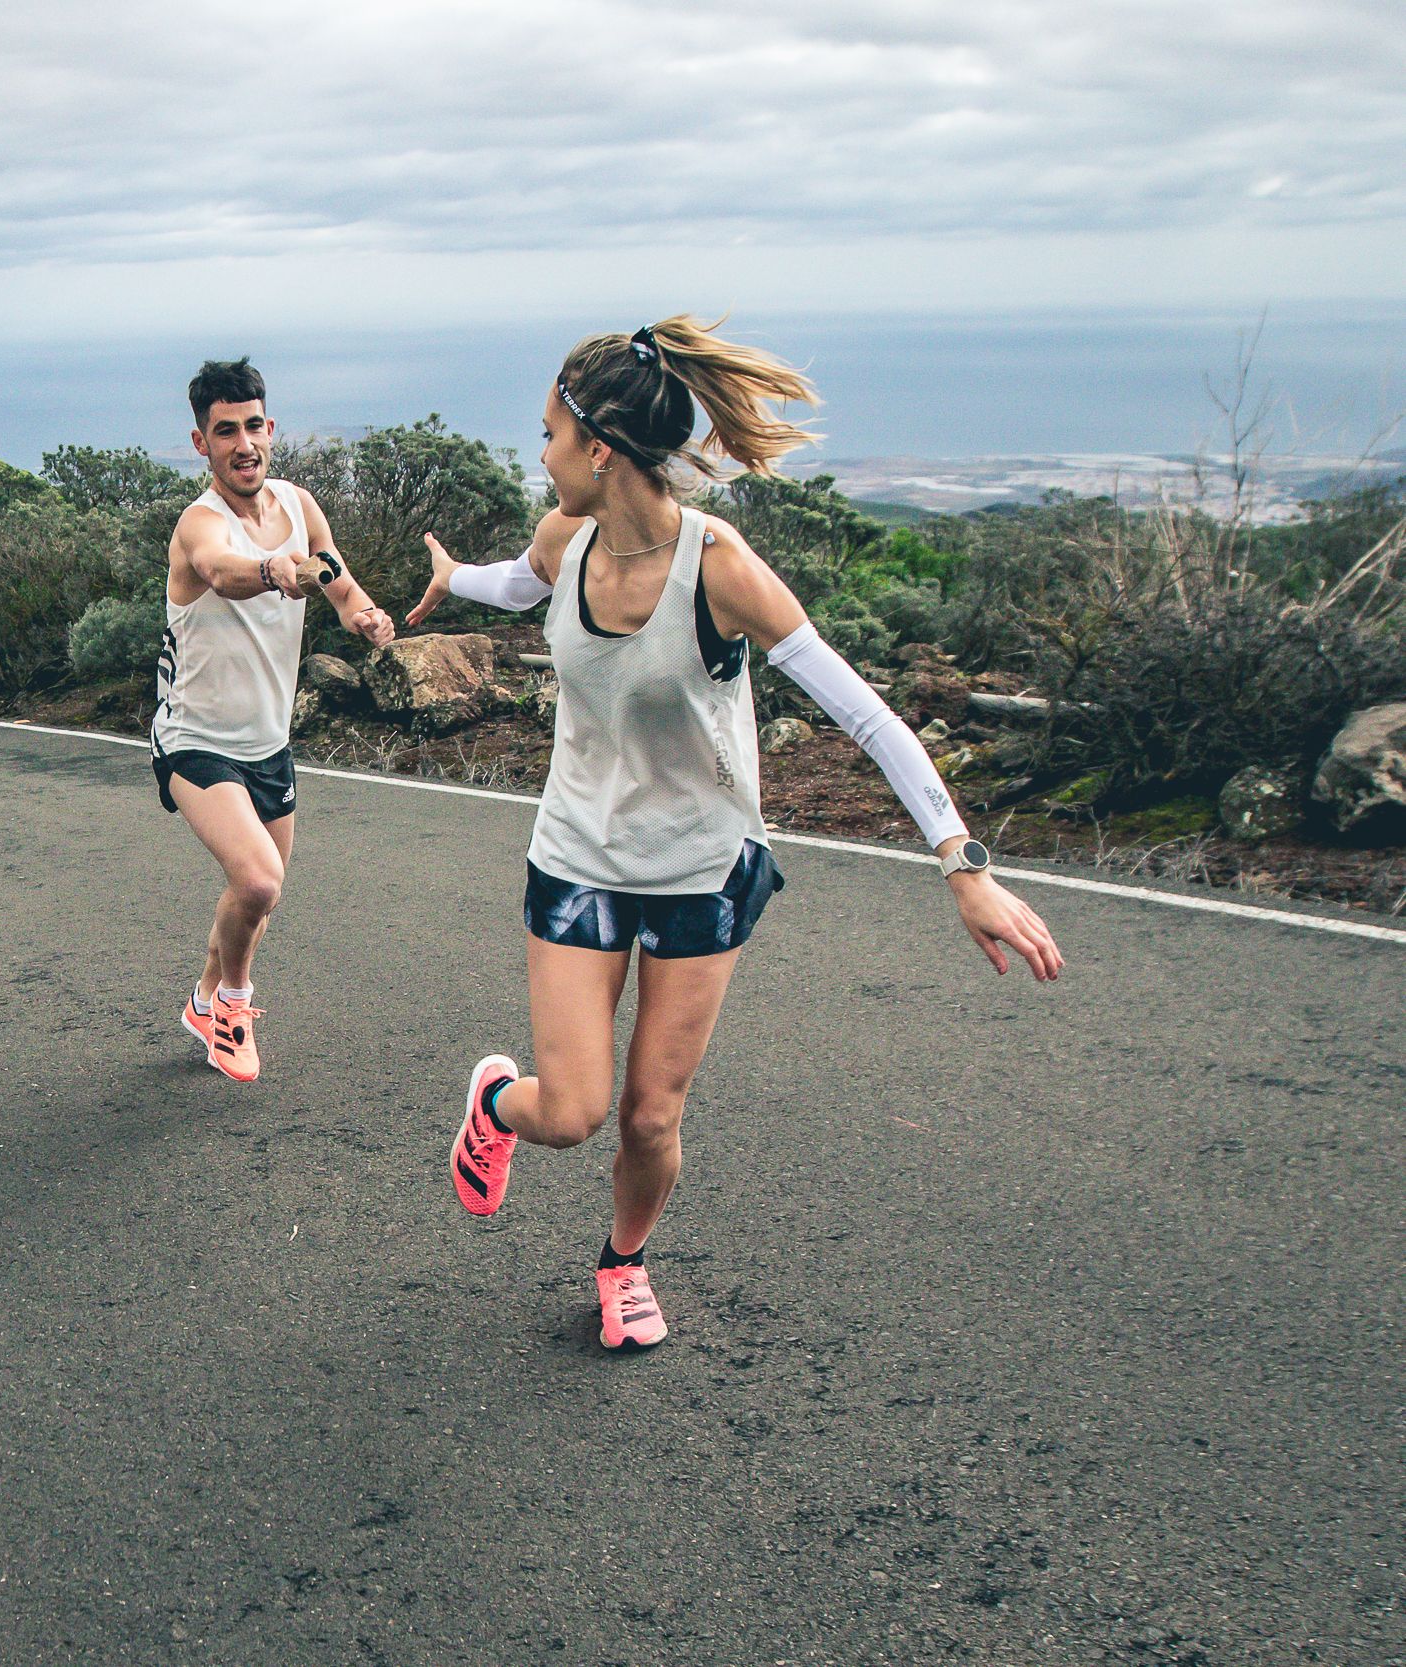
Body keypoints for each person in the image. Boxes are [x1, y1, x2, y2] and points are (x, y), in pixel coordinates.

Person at [407, 318, 1064, 1351]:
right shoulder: (558, 539)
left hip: (701, 869)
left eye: (546, 434)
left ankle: (622, 1260)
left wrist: (961, 863)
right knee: (572, 1109)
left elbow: (867, 714)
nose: (539, 455)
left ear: (598, 449)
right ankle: (495, 1102)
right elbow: (513, 583)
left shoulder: (718, 568)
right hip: (577, 855)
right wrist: (454, 578)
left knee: (648, 1118)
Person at [156, 358, 397, 1080]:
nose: (243, 443)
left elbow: (335, 575)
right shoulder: (201, 523)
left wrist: (361, 612)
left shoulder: (299, 504)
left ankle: (202, 998)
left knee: (253, 900)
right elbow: (225, 571)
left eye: (253, 426)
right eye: (224, 431)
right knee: (259, 880)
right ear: (202, 444)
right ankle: (232, 1007)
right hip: (194, 739)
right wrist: (274, 570)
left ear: (271, 429)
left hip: (269, 742)